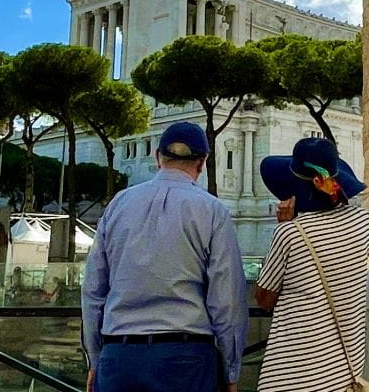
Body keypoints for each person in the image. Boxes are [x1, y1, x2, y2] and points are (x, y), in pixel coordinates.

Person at [82, 122, 249, 392]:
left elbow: (93, 291)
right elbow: (227, 299)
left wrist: (95, 358)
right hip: (186, 358)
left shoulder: (117, 205)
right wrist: (231, 371)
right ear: (203, 162)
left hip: (119, 355)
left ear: (157, 157)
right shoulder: (212, 210)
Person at [254, 137, 369, 392]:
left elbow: (264, 299)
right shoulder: (362, 222)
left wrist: (284, 226)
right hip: (338, 375)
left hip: (286, 375)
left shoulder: (289, 233)